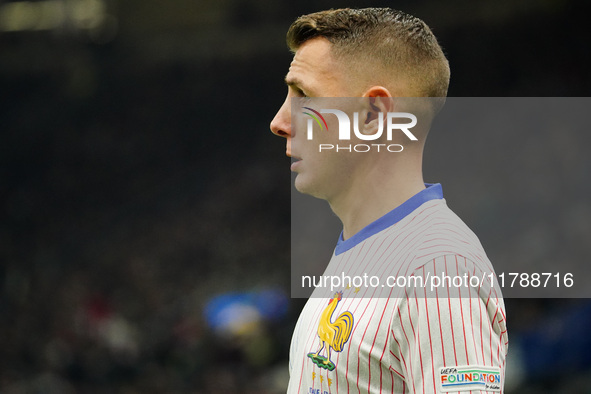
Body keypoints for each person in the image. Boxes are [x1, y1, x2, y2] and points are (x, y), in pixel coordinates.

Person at [270, 8, 507, 394]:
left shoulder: (439, 266)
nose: (279, 121)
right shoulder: (362, 252)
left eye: (304, 95)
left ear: (373, 113)